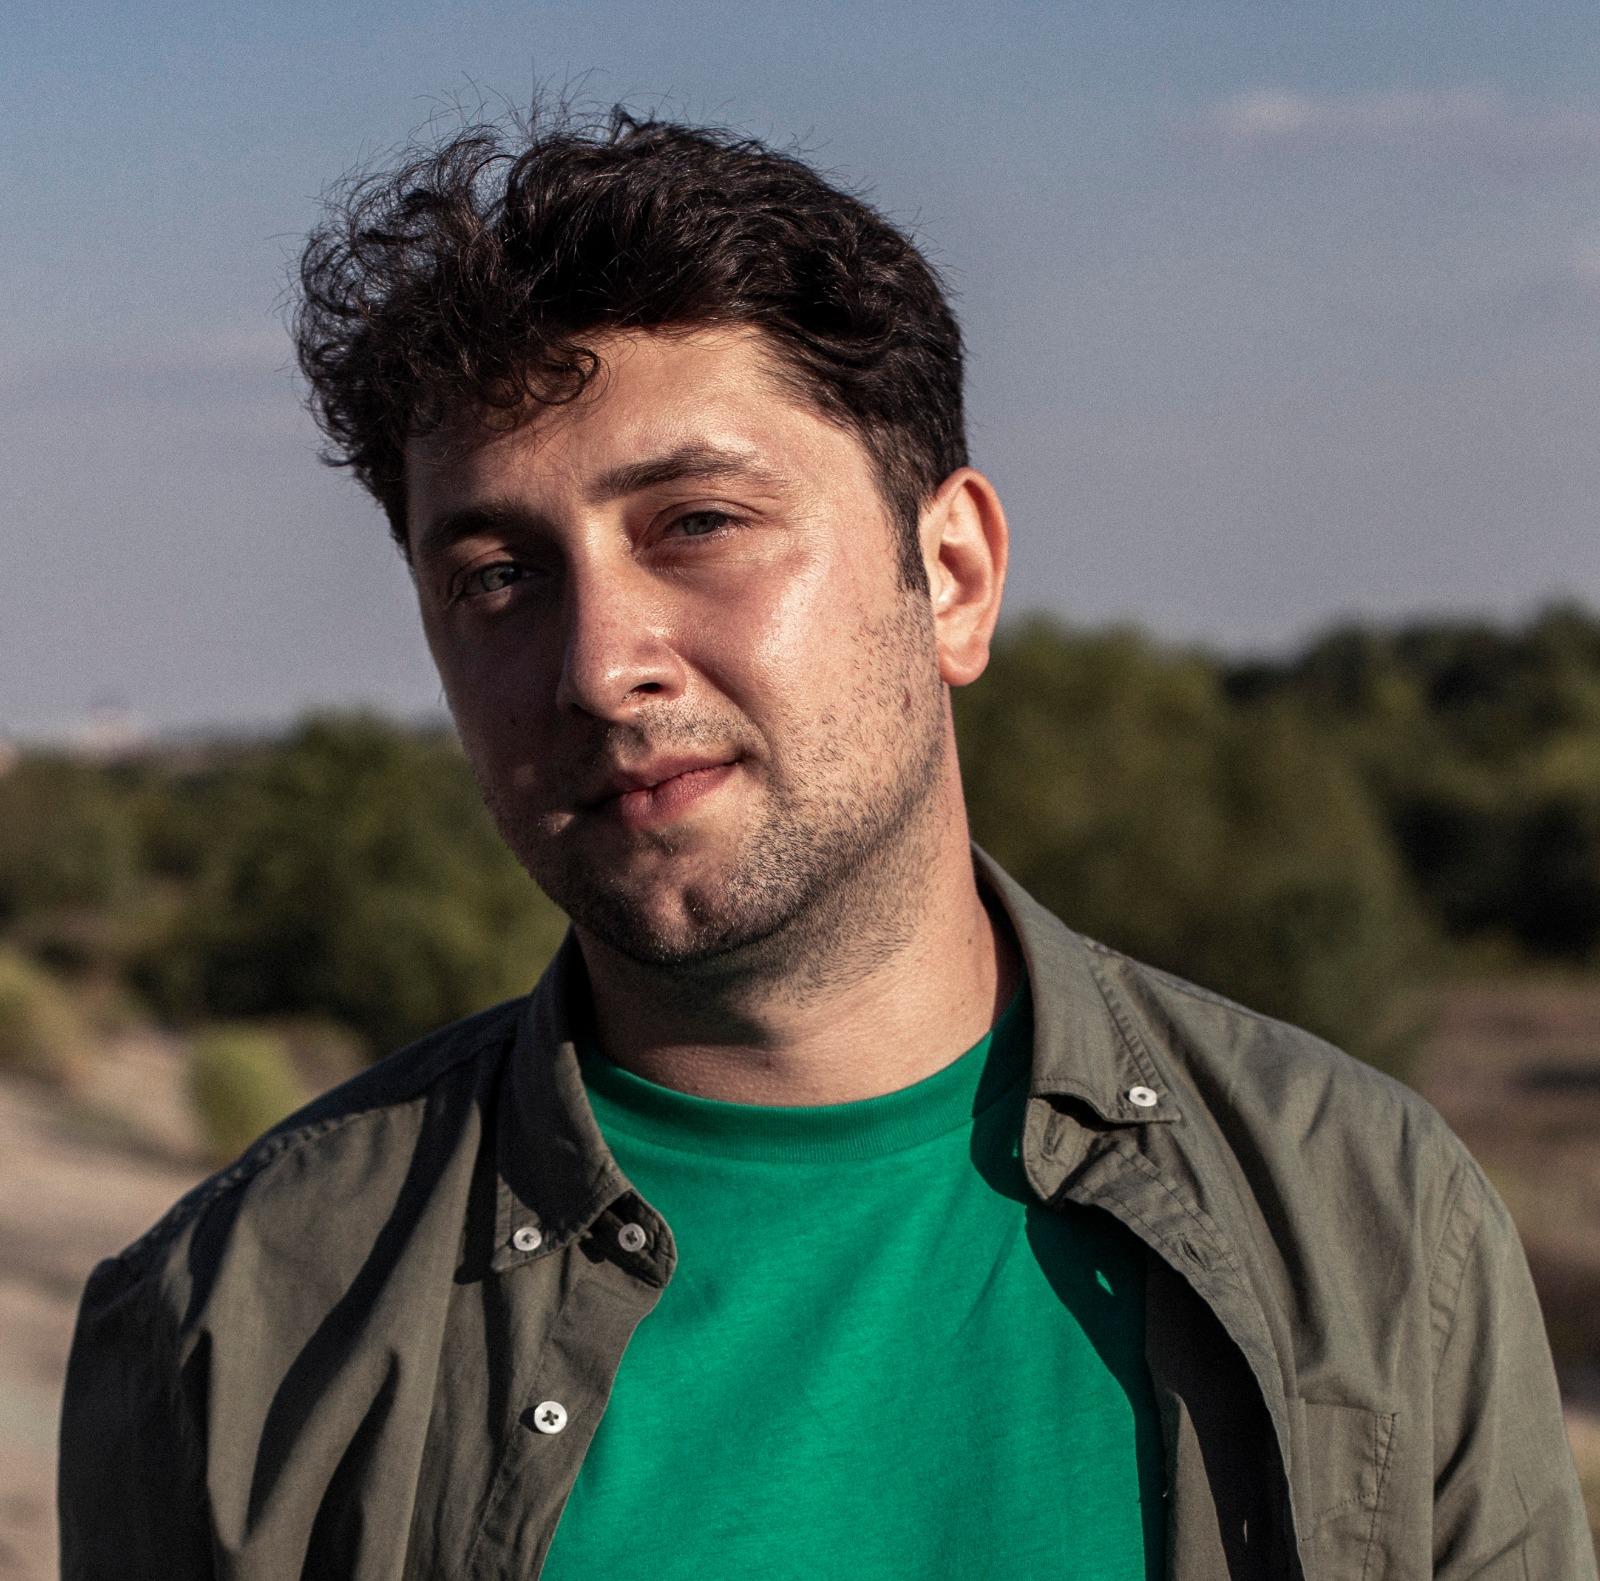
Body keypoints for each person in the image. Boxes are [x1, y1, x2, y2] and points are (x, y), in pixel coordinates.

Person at [59, 110, 1594, 1580]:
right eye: (496, 575)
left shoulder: (1375, 1221)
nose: (600, 665)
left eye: (697, 523)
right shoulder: (230, 1323)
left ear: (954, 575)